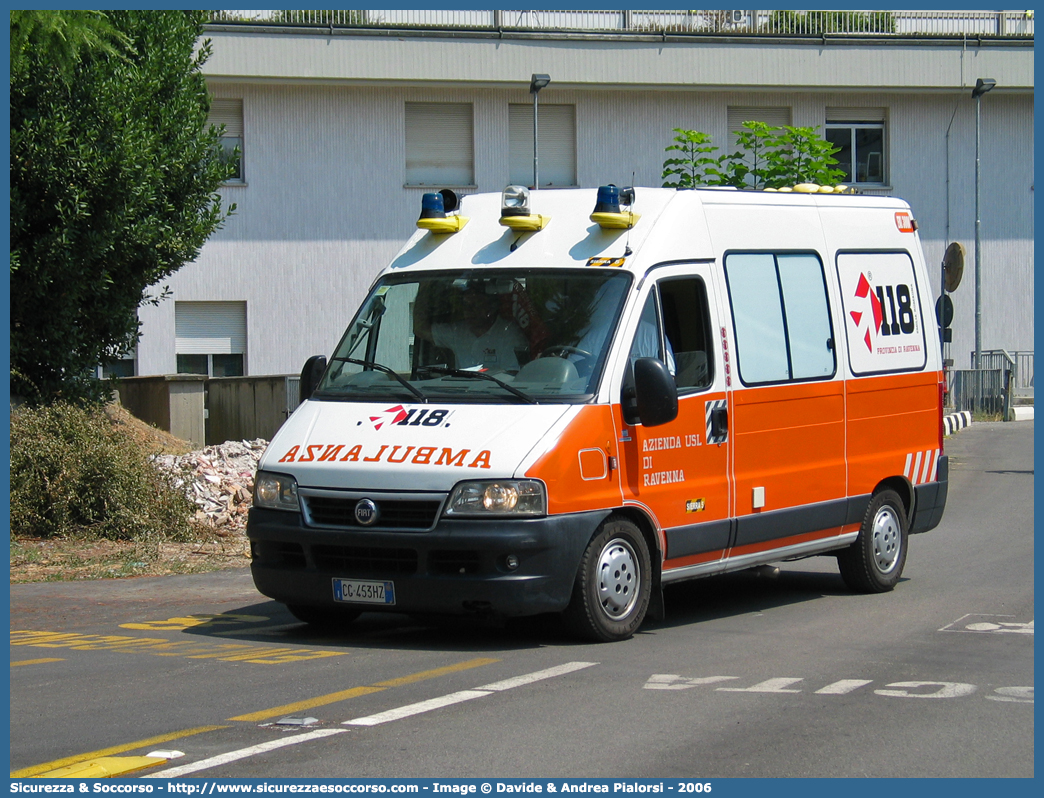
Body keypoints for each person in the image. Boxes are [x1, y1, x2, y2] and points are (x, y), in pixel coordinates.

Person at [414, 282, 527, 372]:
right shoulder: (457, 332)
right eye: (466, 306)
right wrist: (425, 286)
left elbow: (511, 373)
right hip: (460, 394)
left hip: (496, 396)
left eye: (474, 306)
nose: (468, 311)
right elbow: (419, 329)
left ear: (490, 308)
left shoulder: (509, 334)